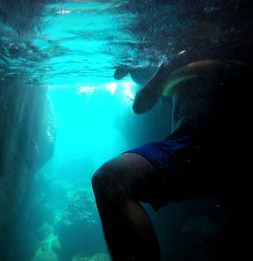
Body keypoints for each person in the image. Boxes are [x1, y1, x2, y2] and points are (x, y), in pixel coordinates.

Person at [91, 45, 252, 260]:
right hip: (184, 148)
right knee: (108, 179)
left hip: (233, 141)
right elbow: (139, 106)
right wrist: (166, 68)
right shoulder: (177, 57)